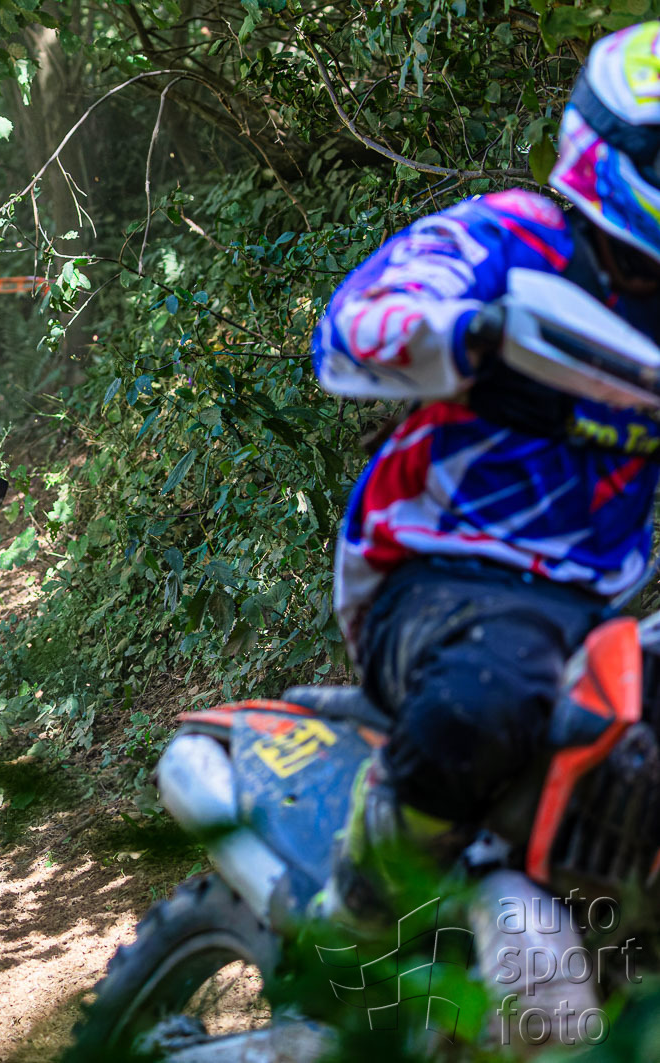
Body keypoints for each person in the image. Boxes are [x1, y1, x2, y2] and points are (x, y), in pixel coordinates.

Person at [310, 22, 660, 928]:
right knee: (493, 689)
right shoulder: (513, 234)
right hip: (429, 574)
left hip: (595, 605)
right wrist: (463, 331)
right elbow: (350, 326)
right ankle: (366, 888)